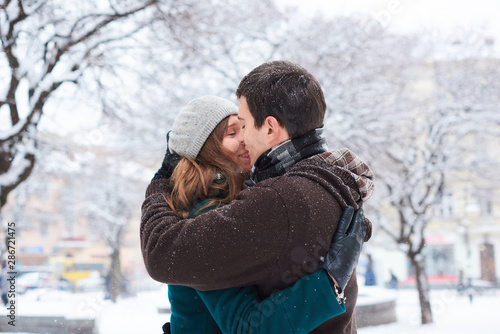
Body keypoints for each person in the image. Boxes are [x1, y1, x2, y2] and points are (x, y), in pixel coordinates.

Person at [141, 61, 375, 333]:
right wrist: (331, 283)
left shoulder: (276, 199)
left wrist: (330, 284)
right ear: (207, 152)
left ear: (270, 128)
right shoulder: (332, 182)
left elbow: (162, 254)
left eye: (243, 126)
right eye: (232, 131)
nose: (243, 138)